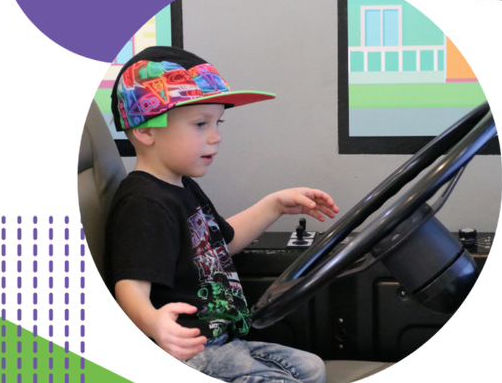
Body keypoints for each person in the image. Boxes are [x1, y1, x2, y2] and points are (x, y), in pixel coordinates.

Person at [103, 47, 339, 383]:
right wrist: (153, 324)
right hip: (195, 354)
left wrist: (273, 205)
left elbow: (223, 243)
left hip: (226, 342)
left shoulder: (181, 185)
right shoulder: (144, 203)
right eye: (200, 124)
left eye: (217, 122)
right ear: (146, 131)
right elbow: (129, 287)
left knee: (313, 367)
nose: (216, 136)